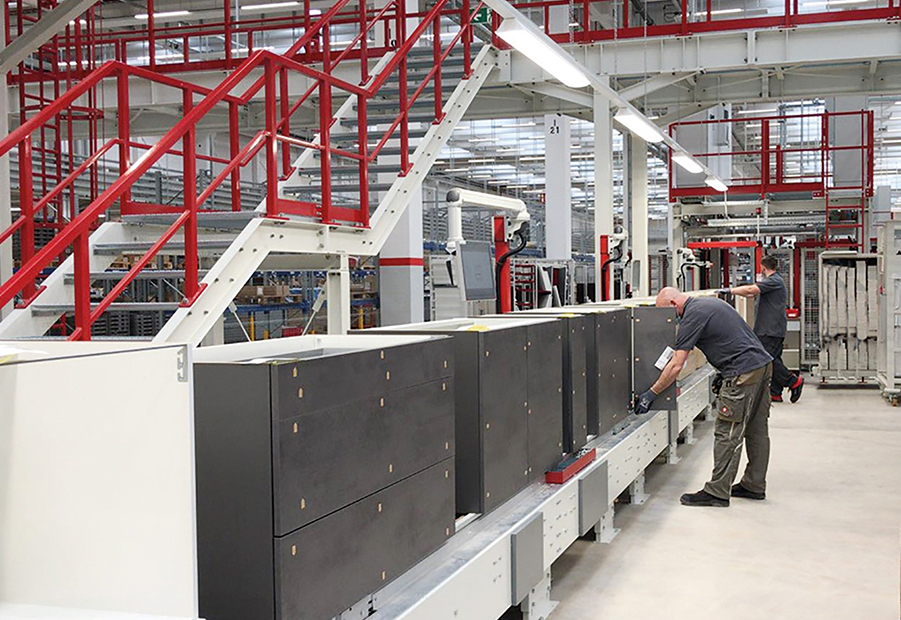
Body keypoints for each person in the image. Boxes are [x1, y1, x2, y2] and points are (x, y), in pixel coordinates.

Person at [634, 288, 773, 507]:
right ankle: (754, 485)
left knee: (728, 432)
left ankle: (717, 492)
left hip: (742, 373)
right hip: (761, 366)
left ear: (672, 303)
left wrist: (652, 393)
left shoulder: (692, 316)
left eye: (666, 313)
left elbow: (676, 365)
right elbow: (731, 338)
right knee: (756, 430)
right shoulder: (709, 304)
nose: (669, 320)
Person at [722, 255, 804, 403]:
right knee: (774, 359)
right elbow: (750, 293)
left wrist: (729, 291)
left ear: (763, 268)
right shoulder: (773, 282)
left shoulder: (773, 281)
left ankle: (793, 381)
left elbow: (750, 290)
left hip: (769, 330)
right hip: (772, 329)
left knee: (767, 360)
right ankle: (775, 393)